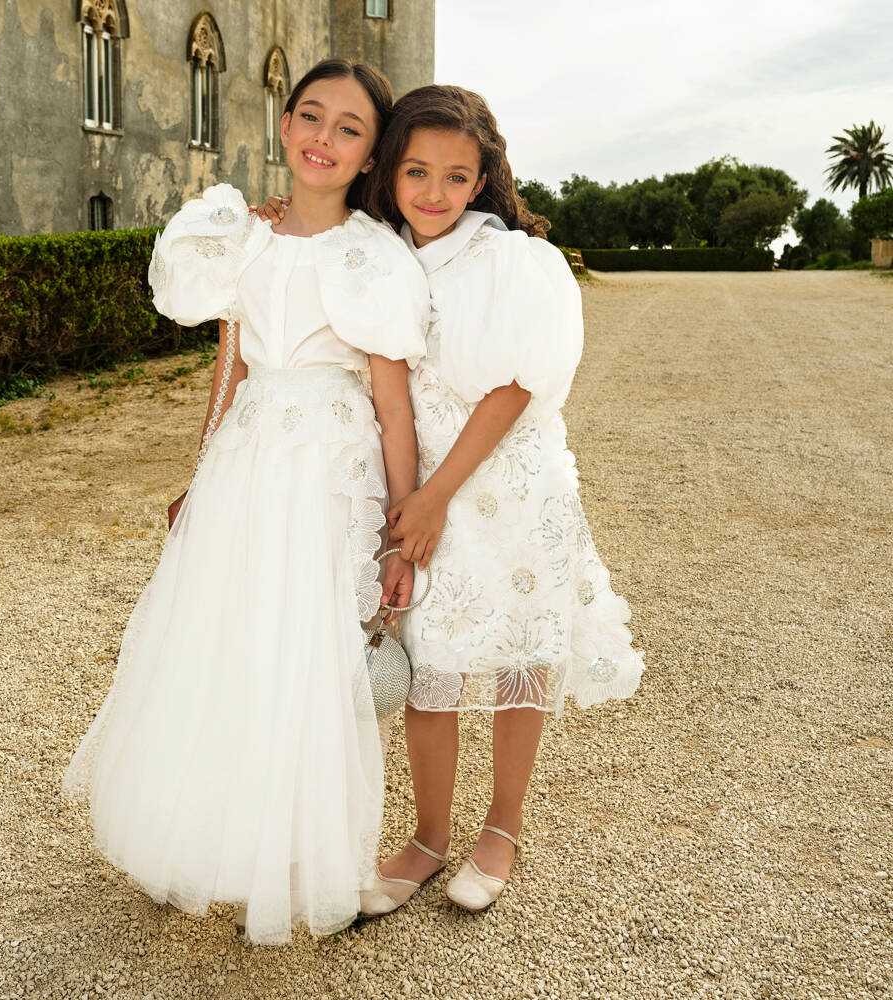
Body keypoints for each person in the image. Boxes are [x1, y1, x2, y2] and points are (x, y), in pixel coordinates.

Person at [60, 59, 429, 945]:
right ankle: (198, 841)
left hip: (329, 472)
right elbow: (229, 367)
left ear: (371, 154)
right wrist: (200, 470)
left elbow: (392, 404)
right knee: (220, 644)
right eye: (311, 115)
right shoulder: (245, 235)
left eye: (349, 128)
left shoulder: (374, 256)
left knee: (309, 658)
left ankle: (306, 860)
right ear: (284, 120)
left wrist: (402, 528)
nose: (323, 138)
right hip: (246, 460)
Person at [357, 85, 645, 913]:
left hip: (507, 482)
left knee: (520, 654)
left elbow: (520, 384)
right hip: (425, 492)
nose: (435, 193)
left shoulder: (518, 259)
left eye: (456, 175)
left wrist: (440, 493)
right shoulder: (378, 252)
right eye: (417, 171)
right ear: (389, 172)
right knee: (428, 663)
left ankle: (503, 826)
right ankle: (428, 835)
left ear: (484, 178)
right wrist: (410, 499)